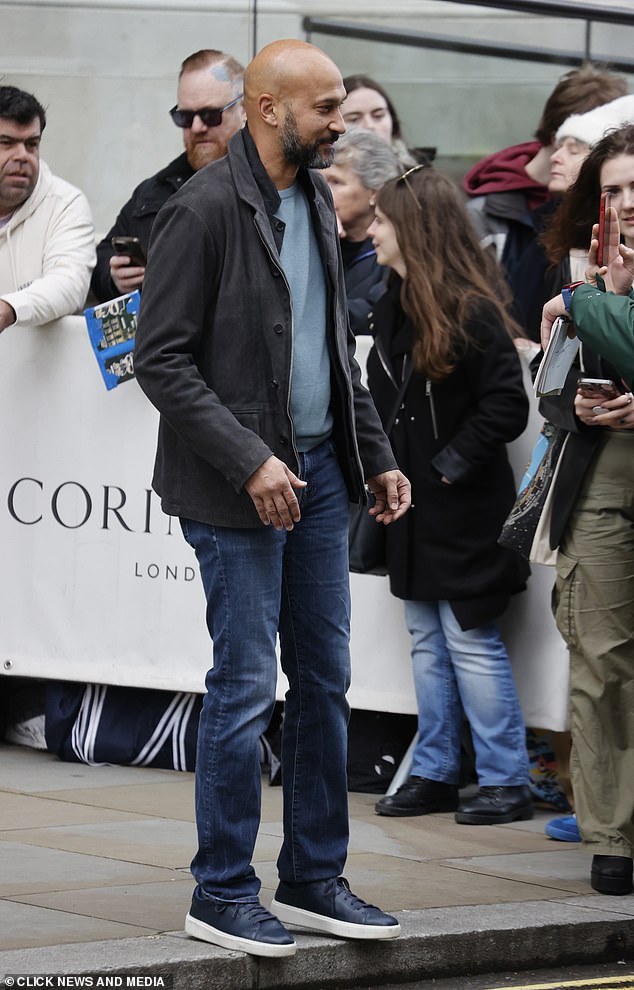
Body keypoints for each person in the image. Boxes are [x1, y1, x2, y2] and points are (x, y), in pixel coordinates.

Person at [133, 39, 411, 957]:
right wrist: (251, 460)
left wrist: (373, 453)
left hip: (324, 476)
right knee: (245, 685)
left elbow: (335, 352)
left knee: (326, 681)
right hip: (234, 487)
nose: (344, 121)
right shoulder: (201, 210)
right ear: (266, 107)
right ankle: (219, 892)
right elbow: (160, 362)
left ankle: (313, 879)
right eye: (327, 106)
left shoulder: (317, 204)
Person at [366, 165, 532, 826]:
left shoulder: (471, 311)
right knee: (428, 639)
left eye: (381, 219)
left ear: (412, 228)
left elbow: (505, 407)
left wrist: (443, 468)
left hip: (460, 510)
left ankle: (505, 777)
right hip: (414, 509)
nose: (371, 230)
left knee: (467, 638)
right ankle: (436, 770)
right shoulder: (393, 304)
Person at [537, 128, 634, 896]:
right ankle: (612, 833)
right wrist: (570, 396)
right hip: (599, 478)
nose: (625, 205)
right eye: (612, 190)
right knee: (600, 657)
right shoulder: (580, 270)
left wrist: (589, 302)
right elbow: (546, 387)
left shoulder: (584, 289)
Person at [90, 49, 245, 302]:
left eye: (210, 115)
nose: (197, 127)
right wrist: (115, 279)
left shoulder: (275, 185)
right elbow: (103, 258)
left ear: (245, 110)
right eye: (184, 117)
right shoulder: (154, 192)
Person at [463, 64, 627, 289]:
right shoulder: (546, 226)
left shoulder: (594, 226)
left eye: (574, 148)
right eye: (561, 144)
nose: (557, 157)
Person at [0, 85, 95, 332]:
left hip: (40, 369)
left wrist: (9, 308)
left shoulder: (66, 204)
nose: (22, 155)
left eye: (32, 144)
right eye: (6, 143)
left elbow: (69, 283)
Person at [325, 128, 400, 335]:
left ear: (374, 192)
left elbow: (375, 311)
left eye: (336, 182)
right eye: (321, 181)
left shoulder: (397, 247)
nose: (322, 192)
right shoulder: (314, 237)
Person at [341, 74, 419, 168]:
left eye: (378, 116)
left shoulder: (418, 178)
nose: (369, 125)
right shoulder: (322, 178)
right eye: (354, 119)